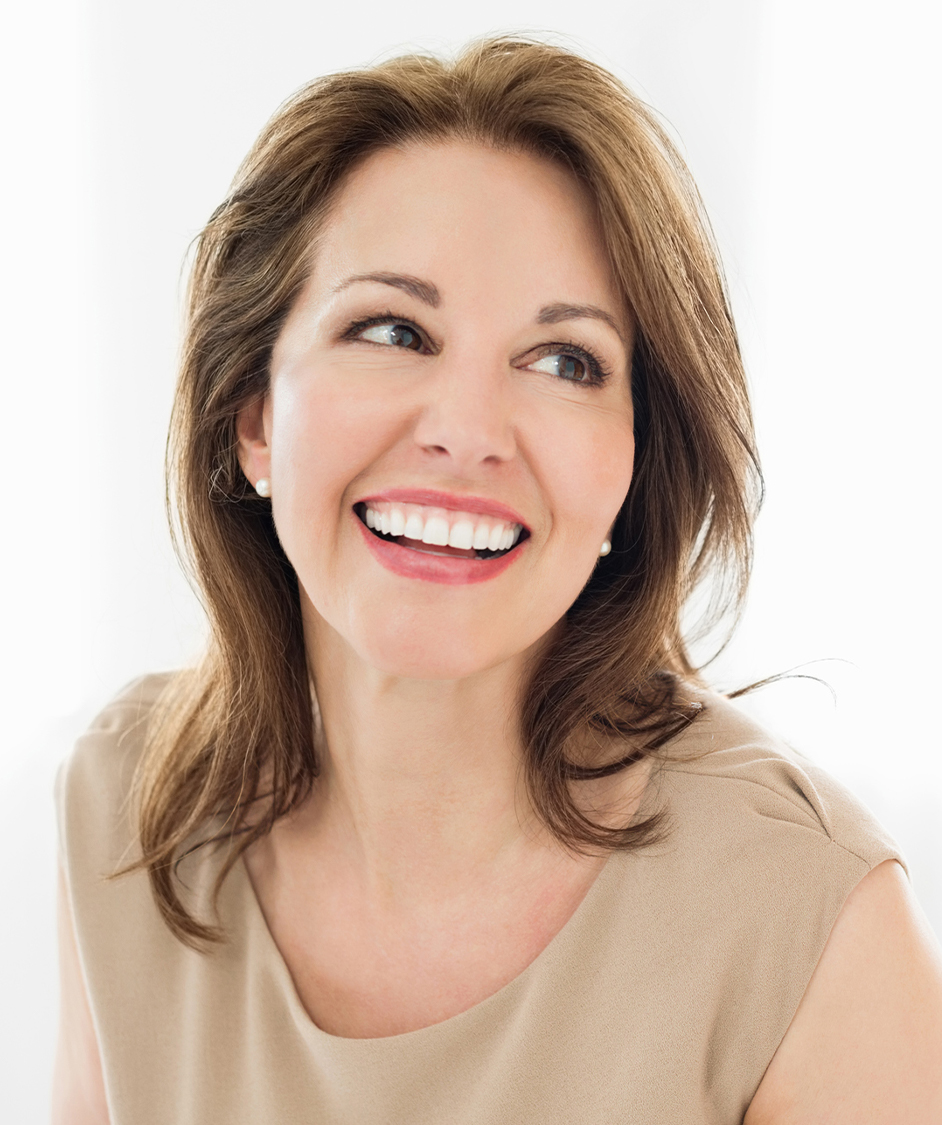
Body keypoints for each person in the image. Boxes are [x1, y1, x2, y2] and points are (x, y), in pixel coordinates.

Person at [53, 36, 942, 1124]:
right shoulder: (122, 808)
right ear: (253, 418)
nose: (469, 434)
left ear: (632, 464)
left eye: (565, 361)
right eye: (393, 329)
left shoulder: (807, 919)